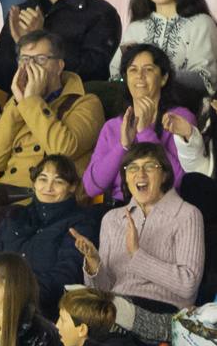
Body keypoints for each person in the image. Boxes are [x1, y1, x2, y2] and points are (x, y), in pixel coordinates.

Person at [0, 31, 101, 262]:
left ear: (59, 65)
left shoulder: (85, 103)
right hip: (2, 199)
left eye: (40, 60)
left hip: (47, 204)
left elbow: (64, 149)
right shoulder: (17, 103)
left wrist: (32, 101)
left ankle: (9, 290)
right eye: (24, 60)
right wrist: (16, 104)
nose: (30, 67)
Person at [74, 141, 205, 330]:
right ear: (125, 178)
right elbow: (102, 290)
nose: (140, 174)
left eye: (150, 166)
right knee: (69, 309)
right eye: (132, 168)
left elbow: (188, 285)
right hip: (114, 309)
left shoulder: (187, 215)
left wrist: (137, 255)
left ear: (165, 174)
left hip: (163, 312)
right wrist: (94, 263)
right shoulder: (112, 219)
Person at [83, 43, 201, 200]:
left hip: (165, 208)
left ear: (163, 78)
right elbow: (91, 187)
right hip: (120, 209)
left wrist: (146, 132)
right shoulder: (113, 126)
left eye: (148, 69)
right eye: (133, 70)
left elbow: (182, 183)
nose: (139, 75)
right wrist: (123, 146)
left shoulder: (178, 119)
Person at [0, 155, 99, 317]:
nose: (48, 187)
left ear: (73, 186)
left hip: (43, 308)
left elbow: (66, 276)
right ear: (34, 182)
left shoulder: (80, 223)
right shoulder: (16, 215)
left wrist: (17, 292)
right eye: (43, 179)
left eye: (58, 182)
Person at [112, 0, 217, 94]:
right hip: (135, 106)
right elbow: (116, 75)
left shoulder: (201, 23)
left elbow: (205, 80)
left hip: (185, 108)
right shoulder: (136, 28)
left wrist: (158, 76)